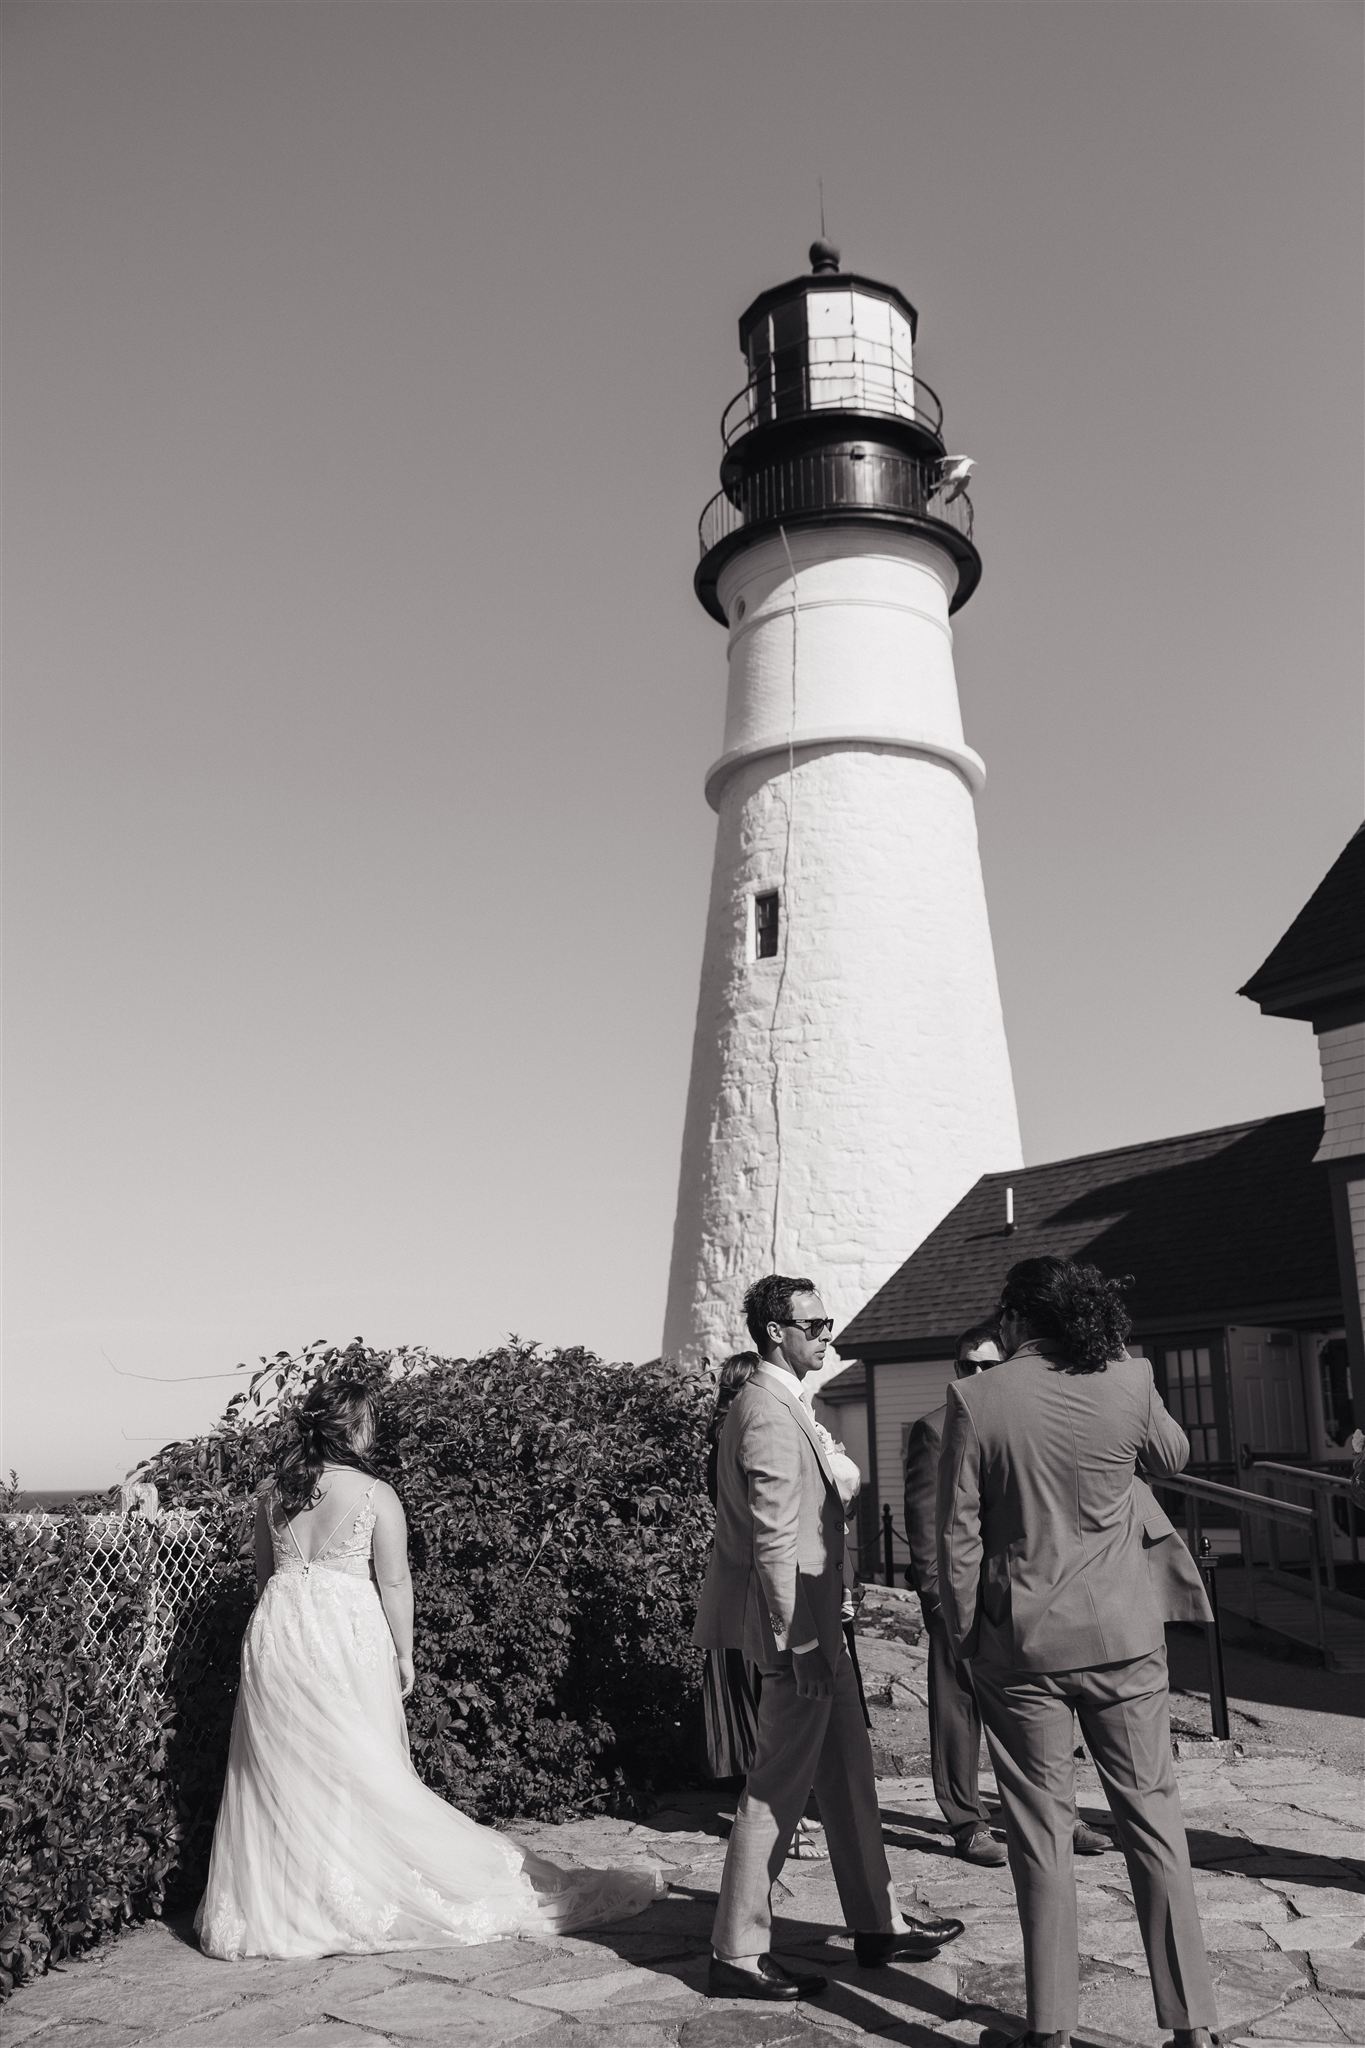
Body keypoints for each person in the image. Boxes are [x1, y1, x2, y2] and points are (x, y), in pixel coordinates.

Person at [197, 1378, 662, 1960]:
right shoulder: (374, 1494)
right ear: (354, 1428)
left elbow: (267, 1579)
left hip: (279, 1631)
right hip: (346, 1633)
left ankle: (290, 1902)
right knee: (358, 1764)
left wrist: (287, 1623)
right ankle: (349, 1894)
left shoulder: (271, 1496)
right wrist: (405, 1651)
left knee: (279, 1764)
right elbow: (394, 1581)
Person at [938, 1257, 1218, 2048]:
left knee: (1039, 1833)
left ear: (1017, 1318)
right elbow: (1171, 1457)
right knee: (1153, 1823)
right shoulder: (1128, 1380)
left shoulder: (975, 1396)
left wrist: (964, 1639)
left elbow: (957, 1539)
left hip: (1021, 1642)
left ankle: (1051, 2034)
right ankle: (1193, 2026)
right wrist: (1124, 1358)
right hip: (1124, 1636)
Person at [693, 1274, 963, 2004]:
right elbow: (777, 1543)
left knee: (848, 1778)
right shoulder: (767, 1412)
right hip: (800, 1633)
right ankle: (738, 1951)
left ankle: (877, 1922)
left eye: (827, 1322)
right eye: (814, 1325)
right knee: (775, 1791)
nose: (827, 1335)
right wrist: (803, 1646)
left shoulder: (788, 1403)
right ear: (776, 1331)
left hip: (824, 1621)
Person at [903, 1320, 1111, 1867]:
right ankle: (967, 1822)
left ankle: (1060, 1813)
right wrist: (937, 1602)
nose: (976, 1374)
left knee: (1040, 1712)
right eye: (966, 1366)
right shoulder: (932, 1429)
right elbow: (927, 1525)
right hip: (960, 1596)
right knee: (957, 1714)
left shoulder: (1030, 1420)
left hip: (1023, 1593)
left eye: (987, 1366)